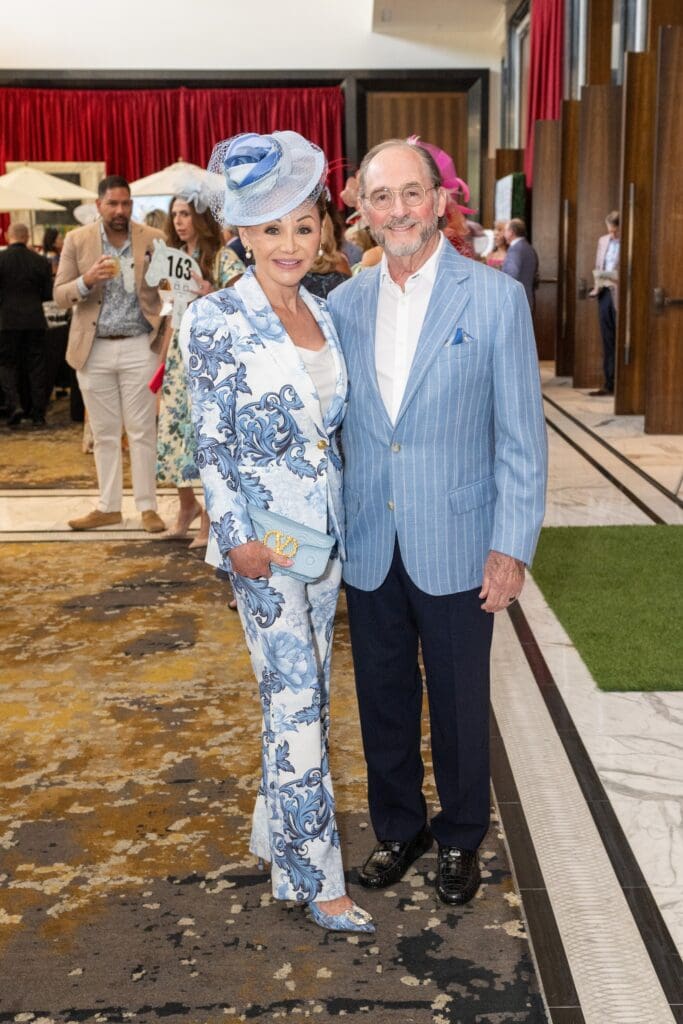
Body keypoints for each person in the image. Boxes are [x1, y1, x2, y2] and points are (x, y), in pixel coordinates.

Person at [327, 139, 547, 907]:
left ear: (439, 201)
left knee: (457, 700)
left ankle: (459, 835)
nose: (396, 211)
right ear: (360, 206)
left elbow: (520, 437)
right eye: (380, 196)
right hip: (369, 540)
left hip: (458, 538)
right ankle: (399, 828)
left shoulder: (492, 299)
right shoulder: (342, 305)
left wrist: (510, 546)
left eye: (410, 194)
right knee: (382, 696)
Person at [180, 131, 374, 935]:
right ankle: (315, 878)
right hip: (262, 541)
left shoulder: (325, 313)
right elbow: (210, 440)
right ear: (241, 236)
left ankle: (276, 829)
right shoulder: (213, 320)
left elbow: (331, 432)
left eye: (303, 226)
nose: (291, 244)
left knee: (306, 696)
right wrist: (233, 539)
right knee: (293, 702)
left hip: (319, 539)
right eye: (271, 230)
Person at [54, 175, 167, 532]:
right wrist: (87, 281)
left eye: (126, 203)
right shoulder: (77, 240)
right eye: (113, 204)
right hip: (93, 348)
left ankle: (148, 507)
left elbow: (169, 291)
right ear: (99, 204)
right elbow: (60, 294)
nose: (120, 210)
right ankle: (108, 506)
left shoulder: (153, 239)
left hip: (140, 345)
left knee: (142, 430)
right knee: (104, 433)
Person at [156, 186, 244, 547]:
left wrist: (210, 292)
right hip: (178, 356)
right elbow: (168, 311)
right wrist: (162, 359)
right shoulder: (172, 257)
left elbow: (242, 303)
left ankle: (210, 522)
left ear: (200, 218)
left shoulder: (222, 257)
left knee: (207, 438)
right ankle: (185, 507)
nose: (179, 221)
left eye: (186, 214)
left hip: (209, 358)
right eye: (175, 214)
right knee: (175, 435)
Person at [0, 222, 54, 427]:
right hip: (34, 319)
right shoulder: (40, 261)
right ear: (28, 237)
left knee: (7, 365)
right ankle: (38, 412)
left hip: (6, 320)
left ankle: (14, 405)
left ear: (7, 235)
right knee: (36, 366)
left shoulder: (1, 260)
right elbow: (48, 294)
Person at [588, 210, 620, 396]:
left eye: (615, 231)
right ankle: (608, 383)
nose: (612, 234)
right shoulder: (603, 241)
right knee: (607, 339)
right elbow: (599, 264)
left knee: (619, 339)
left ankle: (621, 385)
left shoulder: (630, 241)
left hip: (620, 294)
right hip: (604, 292)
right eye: (610, 231)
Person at [501, 218, 539, 311]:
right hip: (527, 298)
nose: (504, 234)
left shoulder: (515, 249)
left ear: (511, 232)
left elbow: (511, 275)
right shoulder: (528, 248)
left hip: (515, 302)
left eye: (505, 230)